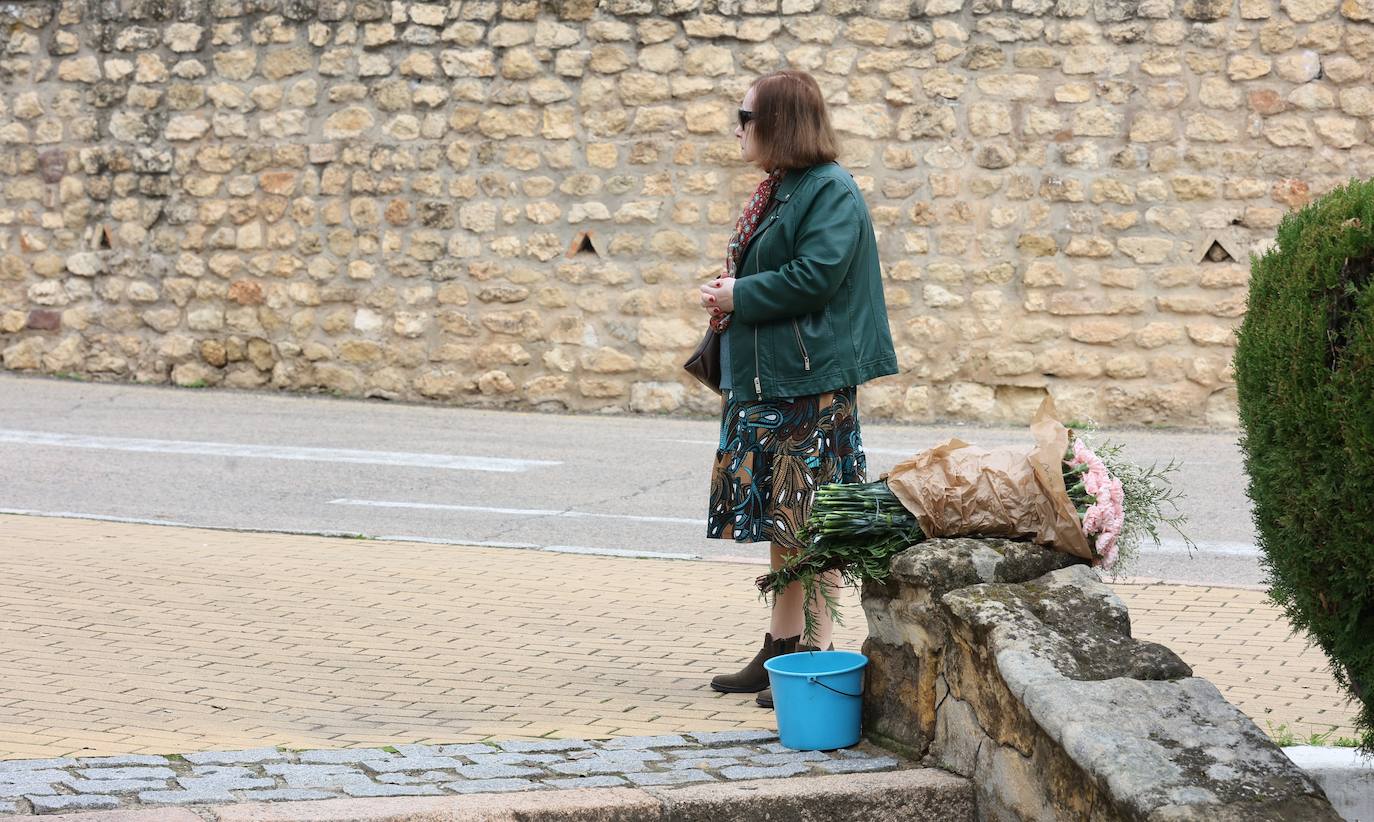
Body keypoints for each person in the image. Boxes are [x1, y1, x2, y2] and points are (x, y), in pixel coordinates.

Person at [700, 71, 898, 709]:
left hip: (807, 383)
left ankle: (815, 651)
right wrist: (733, 290)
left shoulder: (829, 190)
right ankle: (781, 646)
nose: (738, 129)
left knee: (813, 520)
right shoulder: (784, 190)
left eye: (746, 116)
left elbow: (815, 276)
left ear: (781, 121)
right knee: (782, 518)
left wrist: (739, 294)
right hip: (769, 377)